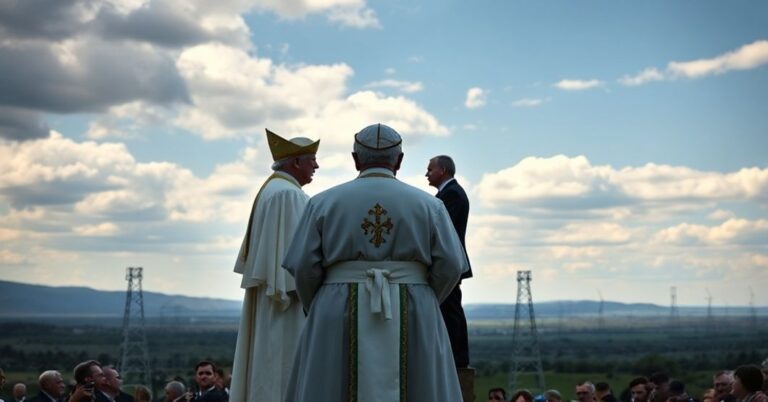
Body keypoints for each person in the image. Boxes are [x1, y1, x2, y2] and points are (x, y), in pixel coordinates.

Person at [282, 123, 469, 402]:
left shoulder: (322, 203)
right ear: (400, 161)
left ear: (355, 159)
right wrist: (424, 295)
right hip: (415, 307)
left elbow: (303, 267)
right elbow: (452, 265)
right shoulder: (430, 206)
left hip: (336, 307)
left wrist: (321, 304)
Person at [230, 128, 319, 402]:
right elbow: (299, 261)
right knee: (284, 369)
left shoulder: (273, 189)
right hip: (287, 301)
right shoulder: (287, 196)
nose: (316, 165)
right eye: (311, 159)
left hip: (273, 300)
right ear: (294, 163)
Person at [426, 155, 472, 369]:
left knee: (451, 310)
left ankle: (457, 359)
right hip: (448, 261)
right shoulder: (448, 193)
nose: (427, 173)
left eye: (430, 169)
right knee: (449, 309)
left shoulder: (451, 194)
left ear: (442, 170)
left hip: (449, 263)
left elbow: (445, 231)